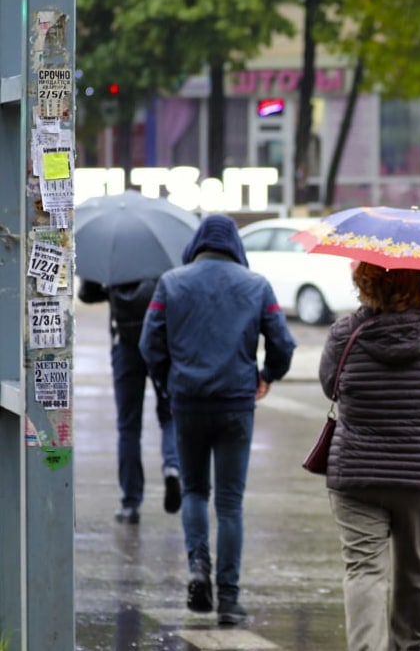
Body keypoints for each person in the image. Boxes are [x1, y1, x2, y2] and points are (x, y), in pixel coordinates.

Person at [139, 214, 296, 626]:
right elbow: (282, 343)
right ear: (235, 247)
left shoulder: (171, 283)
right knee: (229, 503)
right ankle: (228, 598)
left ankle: (197, 569)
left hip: (188, 401)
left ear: (197, 244)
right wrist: (267, 376)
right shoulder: (256, 285)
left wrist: (167, 379)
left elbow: (148, 343)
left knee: (194, 491)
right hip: (236, 403)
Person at [320, 262, 420, 651]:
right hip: (419, 472)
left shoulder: (344, 335)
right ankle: (414, 645)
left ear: (364, 283)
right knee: (416, 569)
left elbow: (330, 386)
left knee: (364, 569)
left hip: (356, 471)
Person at [78, 277, 181, 524]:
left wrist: (109, 289)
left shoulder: (114, 257)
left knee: (128, 426)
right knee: (169, 415)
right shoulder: (162, 257)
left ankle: (130, 503)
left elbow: (86, 294)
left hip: (124, 344)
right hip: (161, 342)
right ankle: (173, 467)